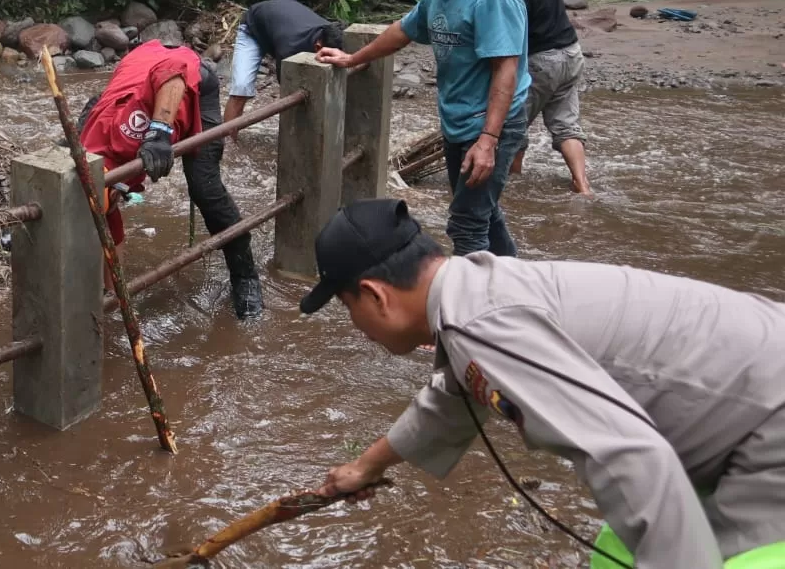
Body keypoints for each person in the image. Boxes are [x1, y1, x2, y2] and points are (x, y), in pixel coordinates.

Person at [304, 198, 785, 569]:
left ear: (375, 294)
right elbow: (451, 399)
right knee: (622, 545)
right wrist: (364, 468)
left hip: (770, 424)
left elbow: (627, 455)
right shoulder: (473, 292)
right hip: (752, 396)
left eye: (348, 308)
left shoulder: (482, 327)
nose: (355, 325)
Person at [317, 0, 530, 256]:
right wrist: (353, 57)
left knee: (466, 223)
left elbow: (505, 70)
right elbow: (405, 30)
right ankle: (516, 281)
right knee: (482, 213)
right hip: (460, 120)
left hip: (492, 125)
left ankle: (468, 307)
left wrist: (489, 140)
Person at [78, 39, 263, 318]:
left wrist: (159, 131)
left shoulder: (127, 133)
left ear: (115, 192)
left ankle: (245, 277)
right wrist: (112, 299)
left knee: (204, 188)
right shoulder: (91, 171)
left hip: (189, 80)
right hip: (139, 66)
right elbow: (109, 226)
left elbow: (174, 68)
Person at [475, 0, 592, 195]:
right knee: (566, 125)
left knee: (511, 122)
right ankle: (582, 185)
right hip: (571, 53)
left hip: (542, 61)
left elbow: (506, 41)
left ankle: (510, 183)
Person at [223, 0, 345, 124]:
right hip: (253, 29)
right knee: (241, 88)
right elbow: (290, 91)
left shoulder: (335, 36)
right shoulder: (290, 48)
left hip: (280, 23)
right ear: (318, 47)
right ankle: (227, 140)